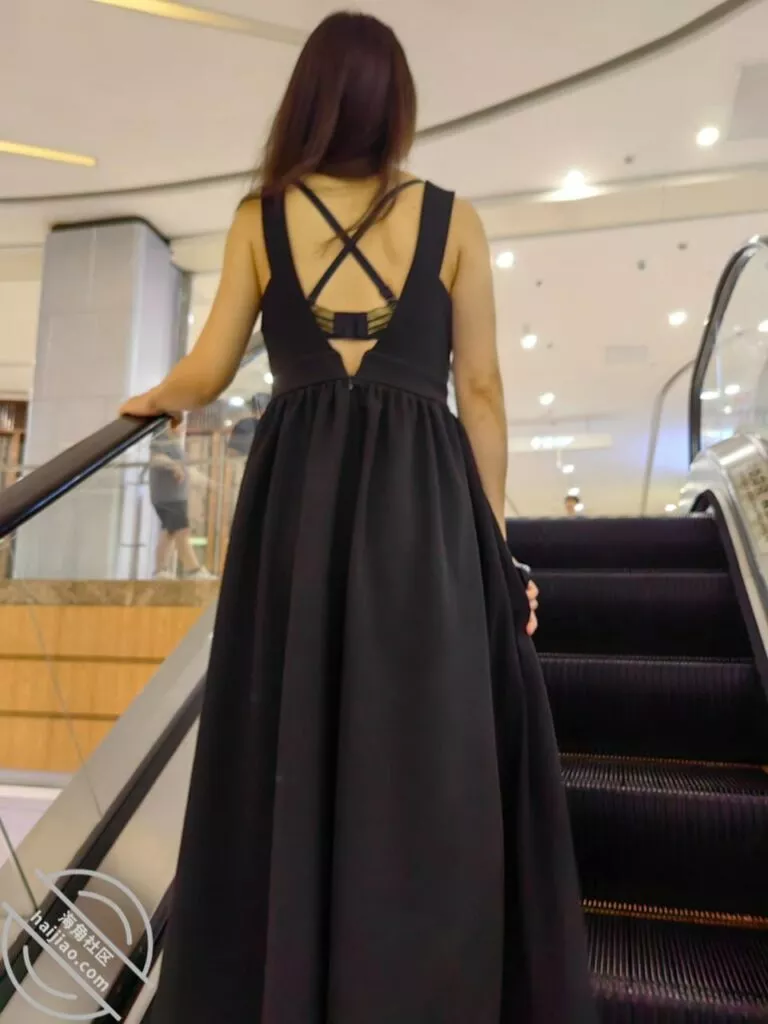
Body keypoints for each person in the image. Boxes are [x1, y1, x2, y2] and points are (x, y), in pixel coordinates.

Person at [122, 12, 595, 1022]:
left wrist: (149, 401)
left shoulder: (259, 218)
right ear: (397, 106)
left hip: (297, 504)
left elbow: (207, 369)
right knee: (421, 740)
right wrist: (496, 550)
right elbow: (483, 392)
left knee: (286, 733)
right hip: (422, 508)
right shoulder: (454, 221)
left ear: (308, 98)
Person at [148, 423, 213, 580]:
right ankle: (193, 570)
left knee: (169, 532)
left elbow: (186, 470)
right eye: (178, 424)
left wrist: (209, 483)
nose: (182, 427)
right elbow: (156, 458)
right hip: (169, 497)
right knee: (181, 532)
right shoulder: (161, 439)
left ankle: (160, 570)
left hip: (175, 496)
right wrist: (173, 466)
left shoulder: (175, 445)